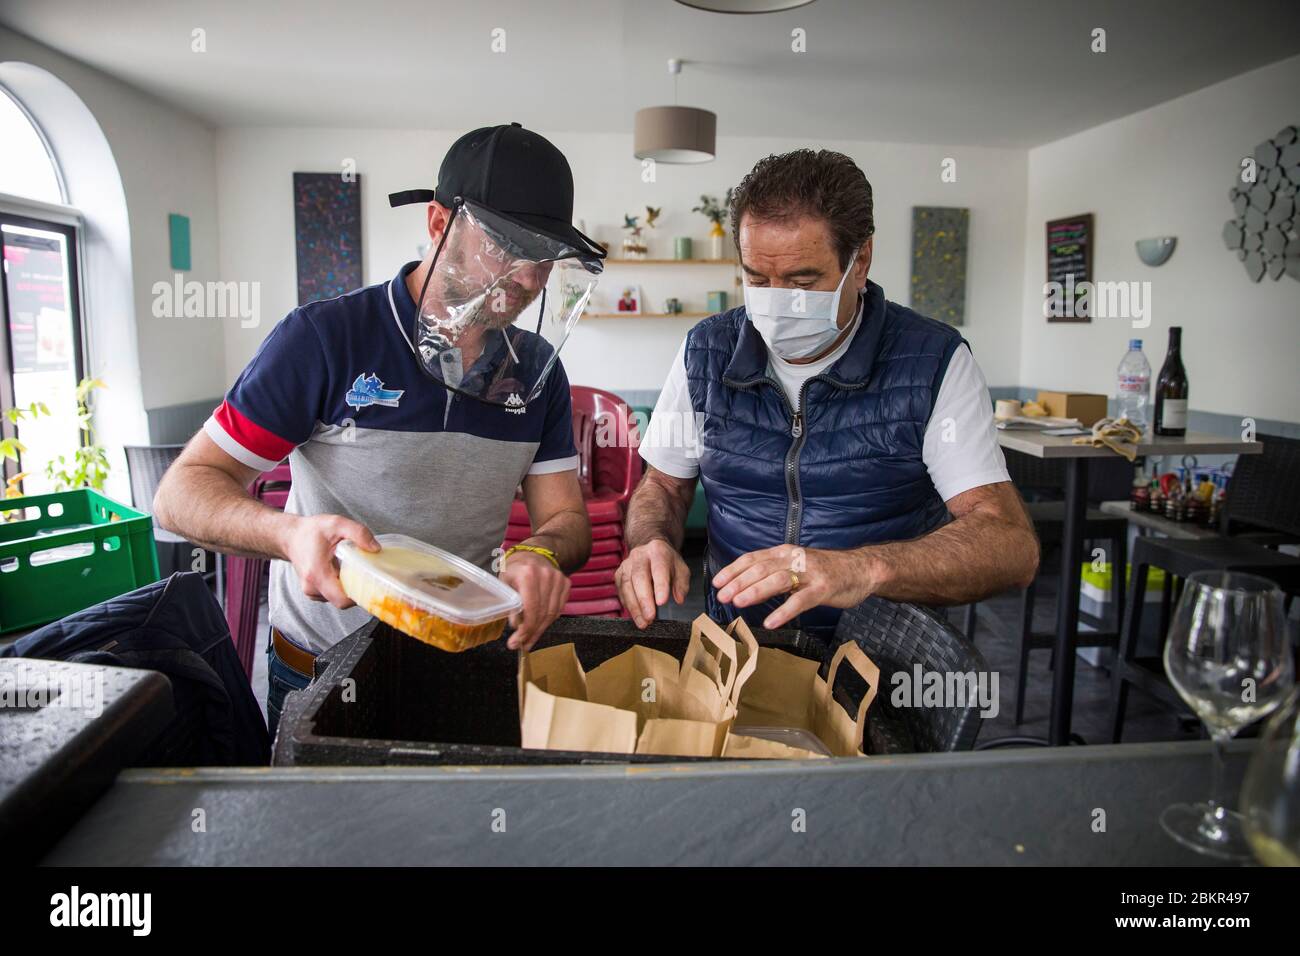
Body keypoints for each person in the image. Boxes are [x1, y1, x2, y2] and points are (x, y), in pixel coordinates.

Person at [155, 123, 606, 734]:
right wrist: (289, 535)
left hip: (460, 657)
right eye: (507, 247)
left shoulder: (537, 376)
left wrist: (538, 553)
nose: (528, 279)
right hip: (320, 664)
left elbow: (567, 522)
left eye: (544, 256)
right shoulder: (326, 339)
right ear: (439, 223)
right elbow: (182, 493)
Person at [618, 148, 1038, 634]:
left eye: (802, 281)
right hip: (738, 648)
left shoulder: (933, 362)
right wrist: (650, 541)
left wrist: (862, 568)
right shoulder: (705, 352)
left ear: (861, 262)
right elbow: (664, 486)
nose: (776, 302)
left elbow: (1010, 546)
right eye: (757, 278)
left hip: (880, 660)